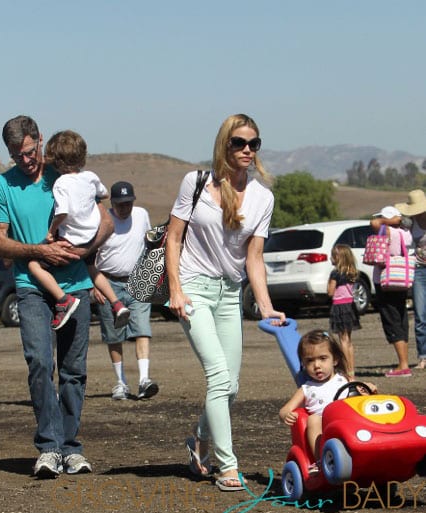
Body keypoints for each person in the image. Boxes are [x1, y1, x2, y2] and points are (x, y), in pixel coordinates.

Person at [165, 113, 286, 492]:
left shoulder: (263, 197)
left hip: (230, 295)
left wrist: (265, 306)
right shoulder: (196, 182)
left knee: (231, 385)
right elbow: (173, 238)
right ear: (224, 144)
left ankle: (198, 440)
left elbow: (254, 258)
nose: (247, 149)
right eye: (239, 142)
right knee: (218, 375)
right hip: (194, 289)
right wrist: (176, 290)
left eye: (254, 143)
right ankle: (226, 465)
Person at [0, 115, 114, 477]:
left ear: (39, 140)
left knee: (74, 371)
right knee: (41, 363)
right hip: (30, 286)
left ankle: (70, 448)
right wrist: (40, 252)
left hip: (76, 286)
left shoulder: (67, 175)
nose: (25, 161)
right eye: (16, 156)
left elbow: (105, 221)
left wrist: (83, 251)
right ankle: (49, 447)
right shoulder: (2, 186)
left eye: (29, 151)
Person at [27, 130, 129, 331]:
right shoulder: (90, 177)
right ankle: (117, 304)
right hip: (91, 236)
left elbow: (62, 212)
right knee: (93, 269)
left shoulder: (61, 183)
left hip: (71, 241)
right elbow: (105, 193)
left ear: (56, 161)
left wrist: (51, 230)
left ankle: (63, 300)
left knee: (33, 265)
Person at [94, 181, 159, 401]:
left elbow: (149, 244)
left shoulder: (141, 215)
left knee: (142, 329)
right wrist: (95, 285)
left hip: (137, 280)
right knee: (114, 335)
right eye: (121, 204)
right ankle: (120, 382)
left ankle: (144, 380)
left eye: (128, 203)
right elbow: (91, 255)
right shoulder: (102, 220)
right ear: (112, 202)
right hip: (108, 282)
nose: (125, 208)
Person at [279, 330, 350, 474]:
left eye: (323, 358)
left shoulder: (344, 380)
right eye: (310, 361)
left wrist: (368, 387)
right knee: (313, 419)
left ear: (335, 359)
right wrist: (286, 414)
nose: (317, 365)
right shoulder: (307, 388)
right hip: (323, 428)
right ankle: (321, 460)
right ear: (303, 364)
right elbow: (285, 410)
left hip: (346, 425)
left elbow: (361, 392)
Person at [370, 205, 413, 377]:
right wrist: (397, 220)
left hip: (386, 279)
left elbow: (374, 222)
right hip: (399, 279)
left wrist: (390, 220)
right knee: (400, 317)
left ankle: (403, 365)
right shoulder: (405, 233)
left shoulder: (389, 231)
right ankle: (404, 361)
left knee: (391, 319)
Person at [394, 190, 426, 370]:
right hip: (419, 270)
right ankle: (423, 356)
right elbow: (384, 219)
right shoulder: (410, 223)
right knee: (421, 315)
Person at [327, 244, 361, 378]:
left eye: (332, 255)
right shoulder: (352, 272)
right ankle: (352, 369)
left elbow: (330, 292)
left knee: (343, 340)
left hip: (339, 306)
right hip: (350, 306)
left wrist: (328, 284)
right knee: (349, 340)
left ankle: (348, 371)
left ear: (338, 258)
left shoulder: (335, 273)